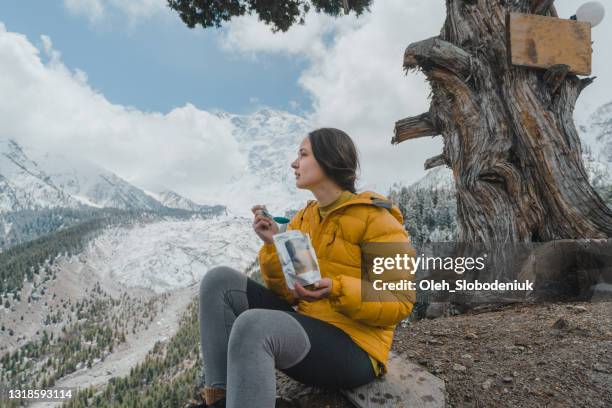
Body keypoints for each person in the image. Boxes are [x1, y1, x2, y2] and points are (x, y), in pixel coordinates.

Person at [192, 128, 416, 408]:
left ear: (329, 159)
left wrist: (337, 288)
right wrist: (274, 244)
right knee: (218, 281)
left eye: (303, 154)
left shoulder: (379, 220)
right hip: (308, 334)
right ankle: (222, 401)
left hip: (355, 349)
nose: (294, 163)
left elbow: (400, 301)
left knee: (253, 325)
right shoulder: (305, 218)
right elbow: (286, 294)